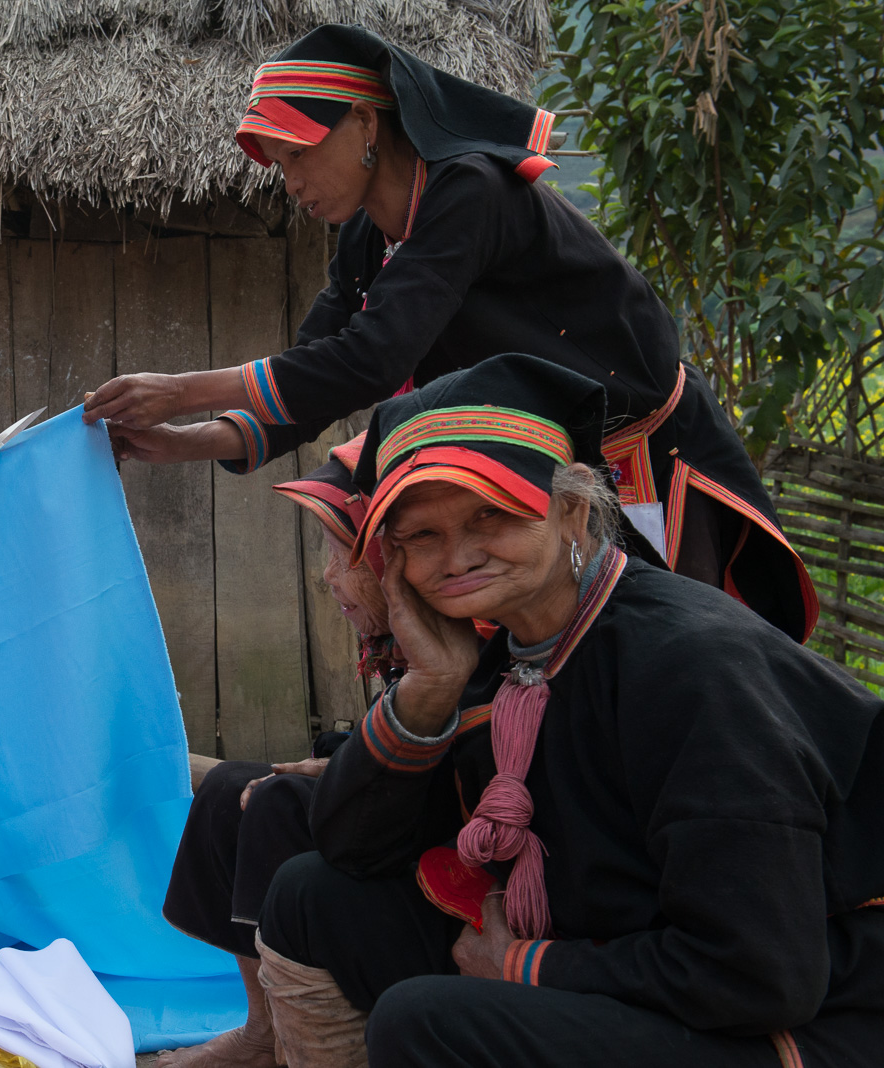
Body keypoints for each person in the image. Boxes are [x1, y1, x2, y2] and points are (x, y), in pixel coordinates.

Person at [82, 23, 816, 644]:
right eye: (280, 167)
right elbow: (316, 374)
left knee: (674, 663)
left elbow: (372, 359)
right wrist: (180, 441)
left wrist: (177, 391)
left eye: (299, 155)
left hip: (643, 461)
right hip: (550, 479)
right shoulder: (367, 240)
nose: (291, 184)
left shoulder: (470, 189)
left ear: (367, 125)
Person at [249, 353, 884, 1067]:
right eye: (421, 535)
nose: (458, 556)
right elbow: (352, 848)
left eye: (493, 513)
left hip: (813, 1021)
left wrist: (530, 969)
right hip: (626, 956)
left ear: (574, 511)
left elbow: (759, 973)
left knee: (426, 1021)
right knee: (315, 893)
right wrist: (430, 685)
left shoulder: (694, 670)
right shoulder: (506, 656)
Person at [158, 435, 404, 1068]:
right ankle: (265, 1030)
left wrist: (354, 770)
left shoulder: (458, 641)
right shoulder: (397, 646)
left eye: (341, 551)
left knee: (274, 802)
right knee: (225, 791)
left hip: (433, 862)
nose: (326, 576)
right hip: (393, 822)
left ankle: (312, 1052)